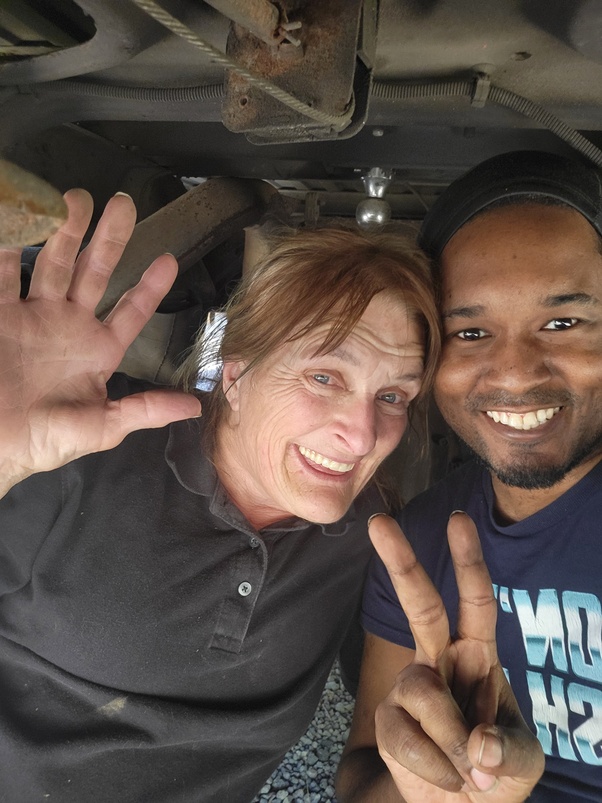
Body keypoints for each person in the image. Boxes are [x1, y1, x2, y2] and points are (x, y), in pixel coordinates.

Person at [0, 187, 441, 802]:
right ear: (235, 373)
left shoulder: (371, 540)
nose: (364, 435)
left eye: (392, 396)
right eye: (324, 376)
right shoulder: (77, 442)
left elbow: (384, 753)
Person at [337, 149, 602, 803]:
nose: (515, 374)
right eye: (472, 332)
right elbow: (361, 776)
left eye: (562, 322)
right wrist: (428, 788)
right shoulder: (419, 542)